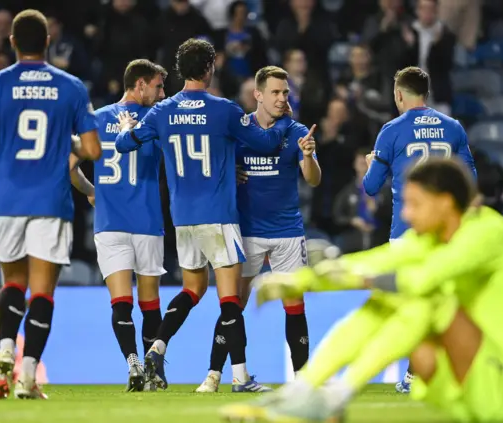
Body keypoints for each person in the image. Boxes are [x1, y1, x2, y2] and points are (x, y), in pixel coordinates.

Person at [222, 158, 503, 422]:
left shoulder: (489, 231)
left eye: (414, 204)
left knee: (424, 298)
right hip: (467, 392)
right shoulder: (429, 239)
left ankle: (336, 394)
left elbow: (421, 280)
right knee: (388, 296)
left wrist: (346, 277)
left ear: (445, 202)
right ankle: (307, 389)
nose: (406, 214)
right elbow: (376, 261)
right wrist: (301, 280)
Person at [115, 38, 305, 392]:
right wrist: (284, 123)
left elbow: (126, 144)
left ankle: (157, 346)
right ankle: (240, 377)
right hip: (218, 215)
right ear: (210, 68)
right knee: (230, 299)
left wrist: (127, 127)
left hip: (182, 218)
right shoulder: (225, 110)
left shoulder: (162, 111)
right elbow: (265, 143)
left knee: (192, 288)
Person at [0, 9, 101, 399]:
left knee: (13, 284)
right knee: (42, 292)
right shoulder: (71, 86)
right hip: (50, 200)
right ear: (48, 42)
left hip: (7, 198)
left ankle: (4, 351)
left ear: (12, 42)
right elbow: (92, 148)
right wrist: (65, 144)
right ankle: (26, 376)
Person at [195, 66, 321, 393]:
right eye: (276, 92)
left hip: (287, 231)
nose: (282, 98)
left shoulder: (296, 131)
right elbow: (216, 168)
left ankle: (303, 381)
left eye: (285, 92)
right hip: (246, 230)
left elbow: (313, 179)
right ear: (258, 95)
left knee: (295, 305)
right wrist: (230, 171)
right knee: (232, 303)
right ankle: (213, 374)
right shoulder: (240, 130)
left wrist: (308, 157)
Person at [362, 65, 476, 393]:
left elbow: (370, 188)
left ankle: (417, 375)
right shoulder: (453, 127)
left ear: (399, 94)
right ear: (425, 93)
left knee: (411, 304)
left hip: (407, 231)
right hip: (444, 232)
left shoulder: (391, 130)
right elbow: (471, 182)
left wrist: (372, 164)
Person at [69, 59, 168, 392]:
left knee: (121, 302)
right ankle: (153, 371)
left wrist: (92, 192)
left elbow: (70, 167)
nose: (161, 93)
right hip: (147, 221)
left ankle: (134, 366)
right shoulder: (156, 120)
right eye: (157, 86)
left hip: (109, 222)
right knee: (150, 301)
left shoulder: (97, 119)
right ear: (139, 84)